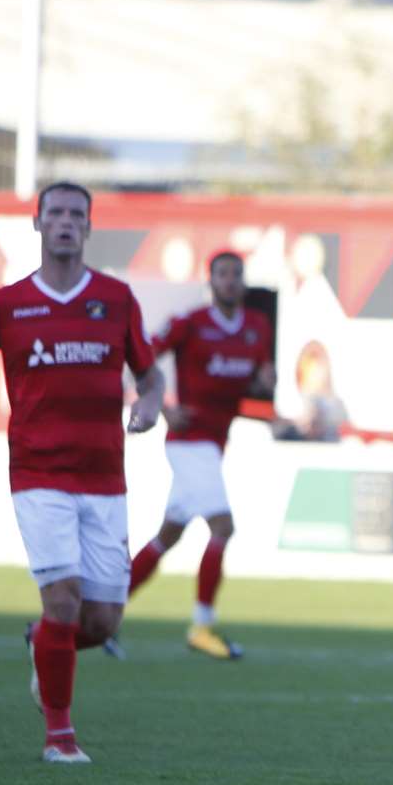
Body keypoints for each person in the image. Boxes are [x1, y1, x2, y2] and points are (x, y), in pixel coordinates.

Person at [0, 181, 163, 764]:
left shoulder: (116, 299)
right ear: (37, 225)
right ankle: (60, 737)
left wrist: (149, 404)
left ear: (88, 228)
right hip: (38, 474)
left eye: (75, 215)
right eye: (54, 213)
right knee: (62, 600)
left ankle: (42, 646)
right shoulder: (7, 304)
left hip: (106, 477)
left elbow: (151, 375)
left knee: (102, 620)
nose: (64, 222)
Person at [126, 251, 276, 659]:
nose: (230, 281)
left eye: (236, 274)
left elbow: (259, 381)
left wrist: (267, 385)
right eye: (222, 275)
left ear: (243, 282)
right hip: (189, 442)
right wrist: (160, 406)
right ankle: (202, 626)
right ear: (211, 282)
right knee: (223, 528)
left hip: (215, 444)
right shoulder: (190, 324)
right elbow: (141, 359)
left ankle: (103, 615)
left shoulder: (258, 328)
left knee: (167, 536)